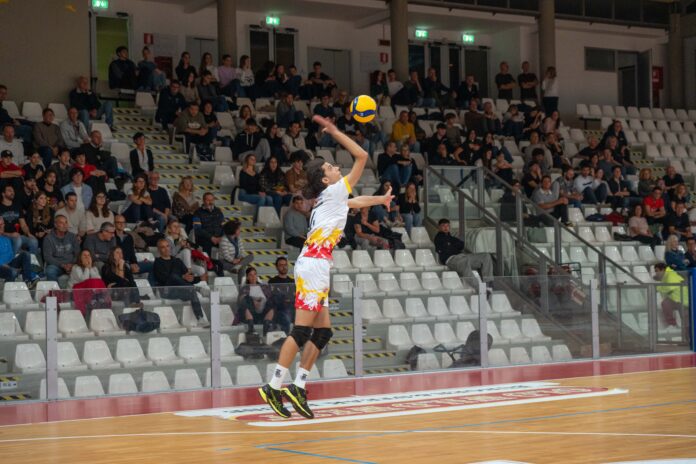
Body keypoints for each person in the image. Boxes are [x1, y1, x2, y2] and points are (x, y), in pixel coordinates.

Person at [260, 115, 394, 420]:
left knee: (323, 333)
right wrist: (334, 131)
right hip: (312, 266)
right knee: (301, 330)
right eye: (331, 167)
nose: (336, 167)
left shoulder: (332, 197)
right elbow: (362, 156)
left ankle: (298, 386)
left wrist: (380, 199)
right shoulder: (333, 192)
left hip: (316, 265)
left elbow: (355, 202)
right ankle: (273, 386)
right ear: (325, 180)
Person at [153, 238, 208, 325]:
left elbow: (188, 277)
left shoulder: (177, 261)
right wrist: (182, 277)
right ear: (159, 250)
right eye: (163, 247)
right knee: (174, 276)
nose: (166, 249)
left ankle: (200, 319)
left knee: (192, 292)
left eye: (167, 246)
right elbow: (164, 280)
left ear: (170, 247)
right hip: (167, 291)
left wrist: (198, 278)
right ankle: (197, 289)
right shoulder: (157, 263)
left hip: (181, 289)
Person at [434, 218, 493, 283]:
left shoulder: (452, 238)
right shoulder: (438, 238)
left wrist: (451, 245)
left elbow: (461, 245)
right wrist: (454, 246)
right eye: (443, 226)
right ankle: (479, 287)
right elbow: (447, 250)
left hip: (462, 256)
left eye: (447, 225)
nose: (446, 227)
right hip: (451, 260)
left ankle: (488, 283)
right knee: (464, 261)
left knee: (486, 256)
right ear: (439, 227)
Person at [0, 216, 39, 289]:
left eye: (3, 224)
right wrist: (10, 268)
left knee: (25, 254)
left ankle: (28, 282)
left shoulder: (6, 238)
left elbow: (11, 255)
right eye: (0, 225)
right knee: (13, 272)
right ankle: (8, 291)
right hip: (1, 266)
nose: (2, 226)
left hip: (9, 263)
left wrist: (19, 258)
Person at [237, 266, 277, 335]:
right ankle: (251, 327)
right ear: (247, 277)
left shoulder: (264, 287)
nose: (253, 277)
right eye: (250, 275)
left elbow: (270, 298)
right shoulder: (245, 288)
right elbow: (240, 301)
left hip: (264, 314)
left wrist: (261, 301)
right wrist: (253, 301)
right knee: (246, 299)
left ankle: (267, 325)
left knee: (274, 300)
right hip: (251, 314)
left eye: (255, 274)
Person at [654, 262, 690, 330]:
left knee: (686, 318)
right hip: (675, 298)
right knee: (665, 304)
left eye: (657, 271)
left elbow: (670, 287)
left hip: (682, 299)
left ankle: (688, 330)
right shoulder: (665, 276)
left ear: (663, 270)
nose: (656, 273)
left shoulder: (670, 274)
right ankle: (672, 325)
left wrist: (657, 288)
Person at [268, 257, 295, 334]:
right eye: (281, 265)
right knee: (286, 317)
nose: (284, 267)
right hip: (279, 309)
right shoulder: (272, 281)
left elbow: (294, 296)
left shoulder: (292, 281)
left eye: (285, 265)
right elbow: (273, 297)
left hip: (292, 308)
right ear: (277, 267)